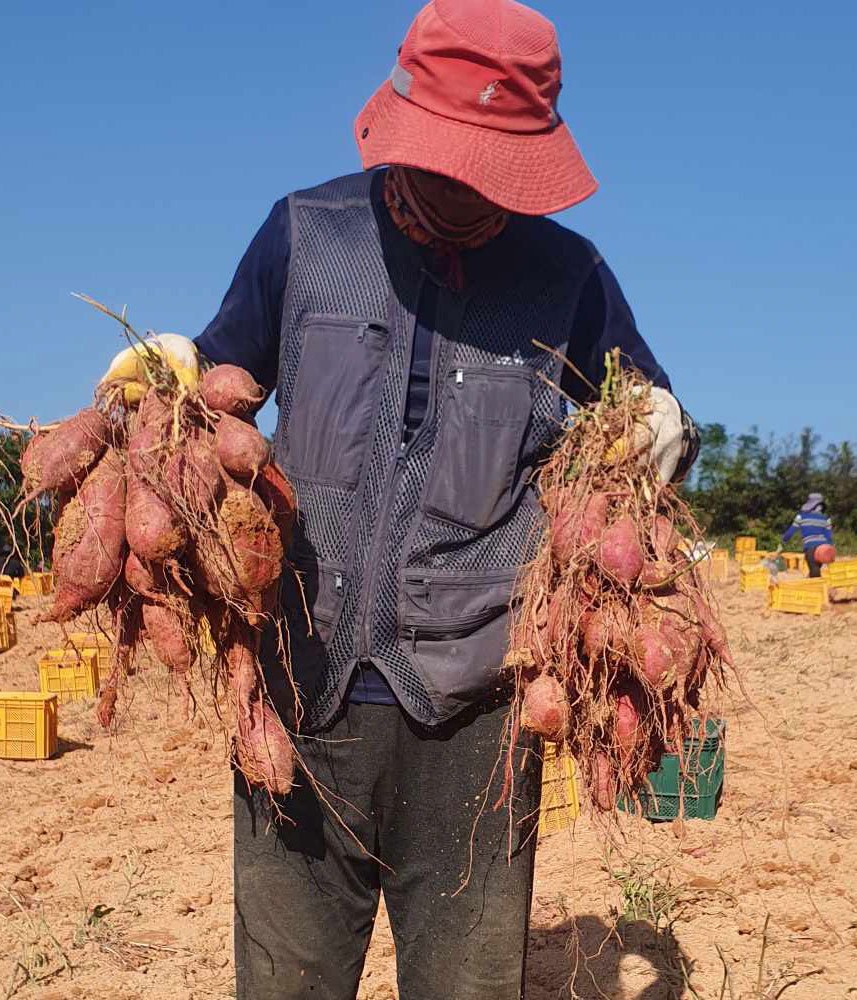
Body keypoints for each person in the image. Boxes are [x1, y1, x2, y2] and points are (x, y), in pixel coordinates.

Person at [103, 2, 700, 996]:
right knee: (286, 983)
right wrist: (175, 373)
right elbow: (222, 380)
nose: (465, 186)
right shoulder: (306, 234)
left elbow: (648, 420)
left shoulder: (568, 277)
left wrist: (661, 428)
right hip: (303, 694)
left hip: (477, 713)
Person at [782, 493, 834, 578]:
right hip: (823, 548)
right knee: (816, 568)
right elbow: (828, 535)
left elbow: (791, 530)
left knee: (814, 569)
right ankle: (812, 580)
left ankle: (816, 585)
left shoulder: (801, 516)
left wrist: (784, 539)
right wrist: (830, 546)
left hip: (810, 546)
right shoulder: (826, 518)